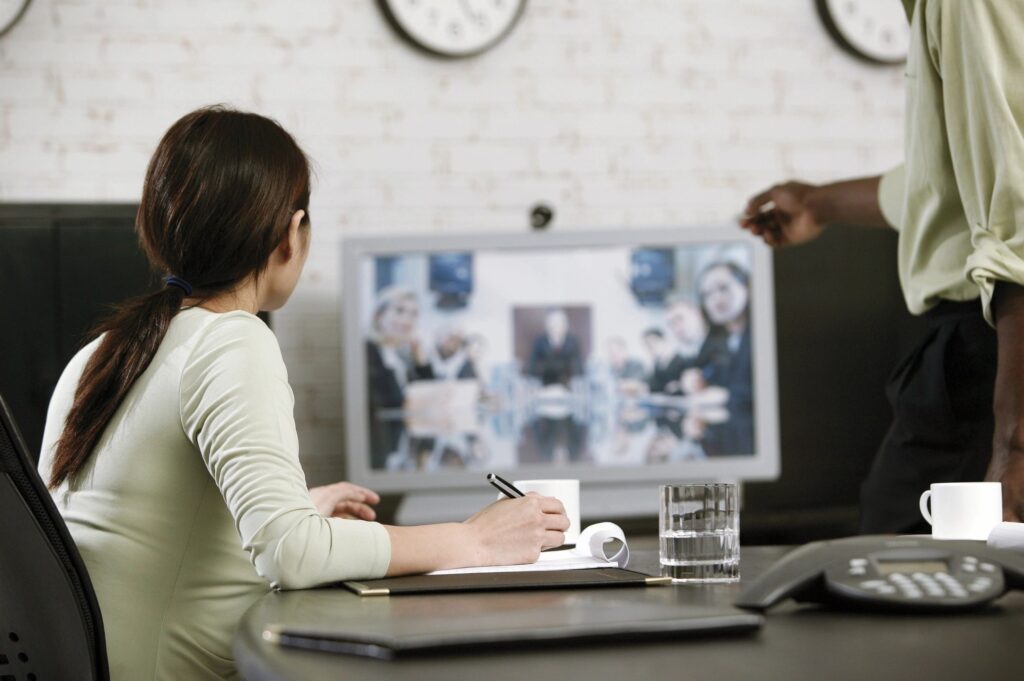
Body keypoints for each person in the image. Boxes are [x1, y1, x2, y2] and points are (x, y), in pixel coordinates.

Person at [37, 106, 569, 681]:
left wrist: (301, 511)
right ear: (291, 235)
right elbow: (291, 553)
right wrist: (474, 541)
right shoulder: (232, 340)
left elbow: (150, 532)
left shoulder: (105, 352)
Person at [740, 1, 1024, 531]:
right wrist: (818, 203)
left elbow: (1019, 215)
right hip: (990, 348)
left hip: (991, 353)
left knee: (892, 569)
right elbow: (948, 182)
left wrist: (1015, 446)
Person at [688, 262, 754, 456]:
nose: (715, 298)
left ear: (747, 287)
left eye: (723, 288)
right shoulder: (722, 341)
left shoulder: (760, 334)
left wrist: (728, 396)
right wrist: (700, 380)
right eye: (707, 294)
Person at [366, 286, 435, 409]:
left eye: (414, 314)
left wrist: (421, 361)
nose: (407, 320)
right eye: (399, 311)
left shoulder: (402, 358)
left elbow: (431, 399)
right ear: (379, 316)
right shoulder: (368, 352)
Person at [527, 308, 584, 386]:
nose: (556, 327)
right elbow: (532, 368)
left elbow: (579, 369)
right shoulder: (539, 342)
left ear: (565, 325)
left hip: (568, 388)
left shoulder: (573, 342)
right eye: (553, 324)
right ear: (547, 326)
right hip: (544, 387)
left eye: (560, 324)